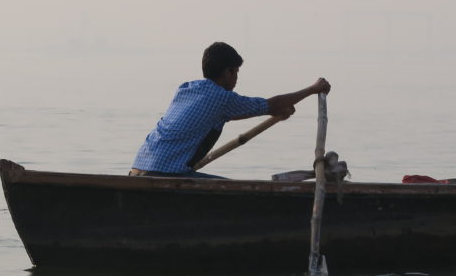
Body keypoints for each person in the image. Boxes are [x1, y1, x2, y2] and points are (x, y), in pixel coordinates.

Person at [130, 41, 331, 178]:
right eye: (236, 72)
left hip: (137, 170)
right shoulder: (221, 98)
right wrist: (313, 89)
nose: (236, 78)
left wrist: (276, 113)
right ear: (228, 72)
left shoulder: (186, 89)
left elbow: (226, 114)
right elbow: (272, 104)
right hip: (163, 175)